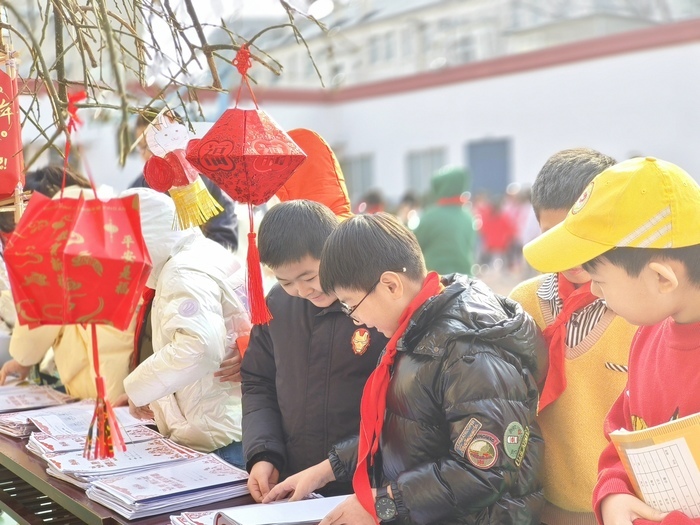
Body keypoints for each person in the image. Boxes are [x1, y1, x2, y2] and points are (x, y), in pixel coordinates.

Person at [265, 212, 546, 524]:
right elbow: (406, 425)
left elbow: (482, 470)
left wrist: (382, 505)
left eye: (351, 305)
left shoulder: (470, 349)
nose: (355, 320)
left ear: (390, 285)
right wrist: (326, 470)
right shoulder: (418, 327)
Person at [522, 156, 700, 525]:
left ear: (662, 278)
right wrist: (613, 494)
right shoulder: (647, 337)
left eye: (600, 279)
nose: (595, 291)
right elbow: (622, 439)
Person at [509, 148, 637, 525]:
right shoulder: (523, 304)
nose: (570, 248)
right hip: (540, 507)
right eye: (555, 235)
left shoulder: (640, 311)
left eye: (584, 232)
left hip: (622, 510)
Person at [231, 200, 387, 502]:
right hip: (294, 484)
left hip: (366, 485)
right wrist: (264, 452)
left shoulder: (375, 305)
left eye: (308, 277)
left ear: (334, 251)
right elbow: (258, 382)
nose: (302, 291)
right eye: (285, 281)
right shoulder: (276, 305)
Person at [121, 187, 251, 468]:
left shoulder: (180, 271)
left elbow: (198, 347)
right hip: (228, 424)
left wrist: (138, 387)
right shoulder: (199, 254)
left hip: (215, 434)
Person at [0, 167, 135, 400]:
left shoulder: (56, 231)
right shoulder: (106, 210)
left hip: (100, 373)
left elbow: (41, 310)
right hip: (134, 361)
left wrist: (23, 358)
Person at [131, 112, 239, 251]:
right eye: (142, 147)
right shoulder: (138, 190)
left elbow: (225, 237)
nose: (147, 153)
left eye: (153, 143)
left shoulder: (208, 178)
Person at [413, 165, 476, 275]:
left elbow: (414, 245)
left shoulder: (430, 216)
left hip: (437, 281)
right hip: (465, 280)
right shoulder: (468, 217)